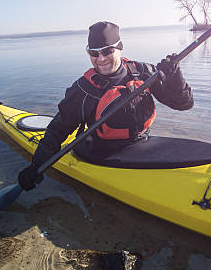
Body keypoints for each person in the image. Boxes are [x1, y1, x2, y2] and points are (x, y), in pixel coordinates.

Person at [18, 21, 194, 190]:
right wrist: (36, 167)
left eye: (107, 51)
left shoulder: (144, 72)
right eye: (94, 53)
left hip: (143, 144)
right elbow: (57, 132)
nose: (100, 59)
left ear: (119, 48)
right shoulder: (82, 90)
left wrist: (175, 78)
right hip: (102, 154)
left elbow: (184, 104)